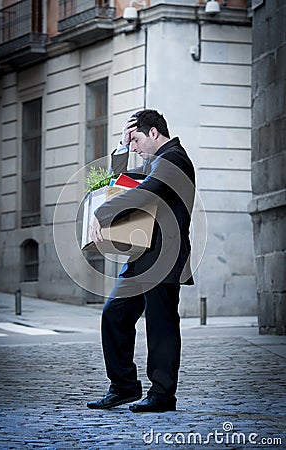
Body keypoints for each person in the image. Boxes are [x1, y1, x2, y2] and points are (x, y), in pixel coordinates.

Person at [87, 109, 195, 413]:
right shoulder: (155, 162)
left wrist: (101, 213)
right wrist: (121, 147)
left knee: (161, 326)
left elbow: (145, 193)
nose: (134, 147)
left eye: (135, 140)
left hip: (164, 256)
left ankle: (162, 396)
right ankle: (123, 387)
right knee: (114, 314)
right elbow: (120, 182)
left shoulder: (174, 159)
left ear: (154, 133)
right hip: (143, 256)